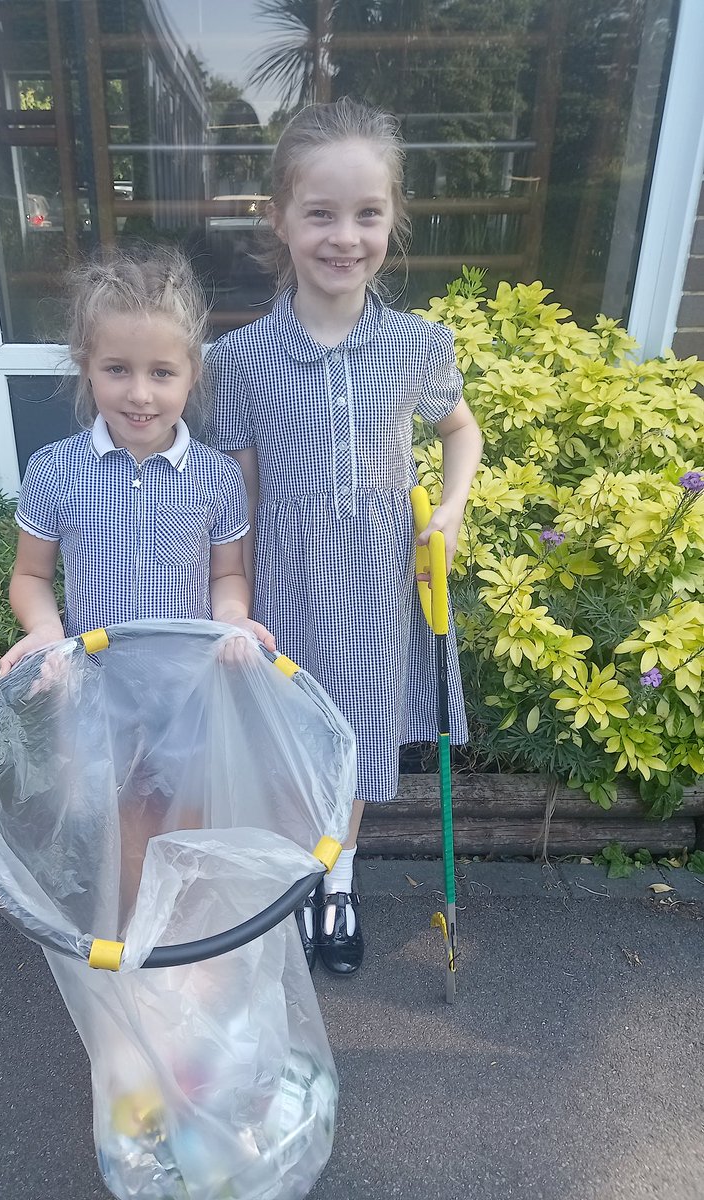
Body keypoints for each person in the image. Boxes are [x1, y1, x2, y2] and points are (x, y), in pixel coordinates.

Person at [204, 98, 483, 975]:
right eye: (320, 213)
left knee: (354, 739)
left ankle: (337, 879)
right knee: (286, 741)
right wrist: (230, 595)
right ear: (279, 219)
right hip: (283, 585)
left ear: (393, 219)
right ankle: (290, 872)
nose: (344, 236)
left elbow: (460, 431)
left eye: (367, 213)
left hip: (374, 585)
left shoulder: (416, 344)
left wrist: (451, 506)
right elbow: (235, 495)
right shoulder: (238, 361)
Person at [0, 244, 274, 679]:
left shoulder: (219, 476)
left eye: (162, 372)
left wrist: (233, 619)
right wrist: (46, 630)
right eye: (117, 369)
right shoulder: (53, 470)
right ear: (86, 365)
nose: (140, 394)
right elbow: (31, 574)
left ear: (192, 373)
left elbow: (228, 574)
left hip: (187, 685)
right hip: (91, 683)